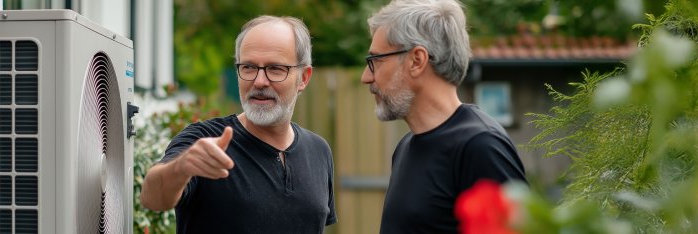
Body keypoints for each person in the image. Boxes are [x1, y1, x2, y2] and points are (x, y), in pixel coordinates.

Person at [140, 15, 336, 233]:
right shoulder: (204, 141)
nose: (259, 81)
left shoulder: (319, 151)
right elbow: (152, 198)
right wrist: (181, 167)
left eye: (275, 69)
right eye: (249, 67)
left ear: (304, 78)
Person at [360, 0, 528, 233]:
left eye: (375, 61)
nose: (366, 77)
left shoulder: (481, 146)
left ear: (416, 60)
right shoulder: (406, 146)